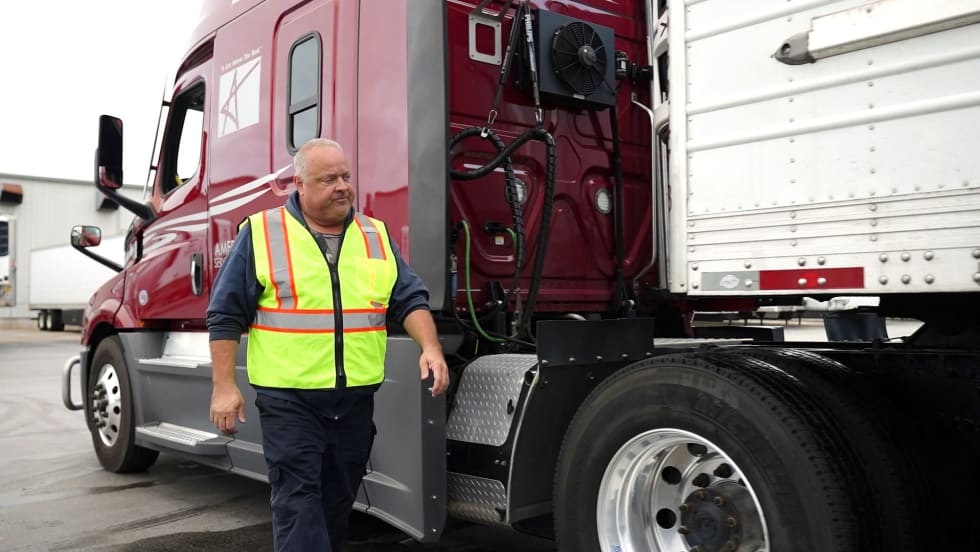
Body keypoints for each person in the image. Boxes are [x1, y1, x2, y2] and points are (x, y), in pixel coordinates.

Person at [206, 137, 449, 552]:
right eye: (329, 179)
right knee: (298, 500)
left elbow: (408, 297)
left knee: (338, 502)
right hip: (290, 400)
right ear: (299, 184)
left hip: (353, 401)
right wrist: (224, 387)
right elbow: (225, 314)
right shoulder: (263, 233)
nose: (342, 186)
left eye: (346, 176)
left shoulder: (374, 234)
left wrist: (431, 347)